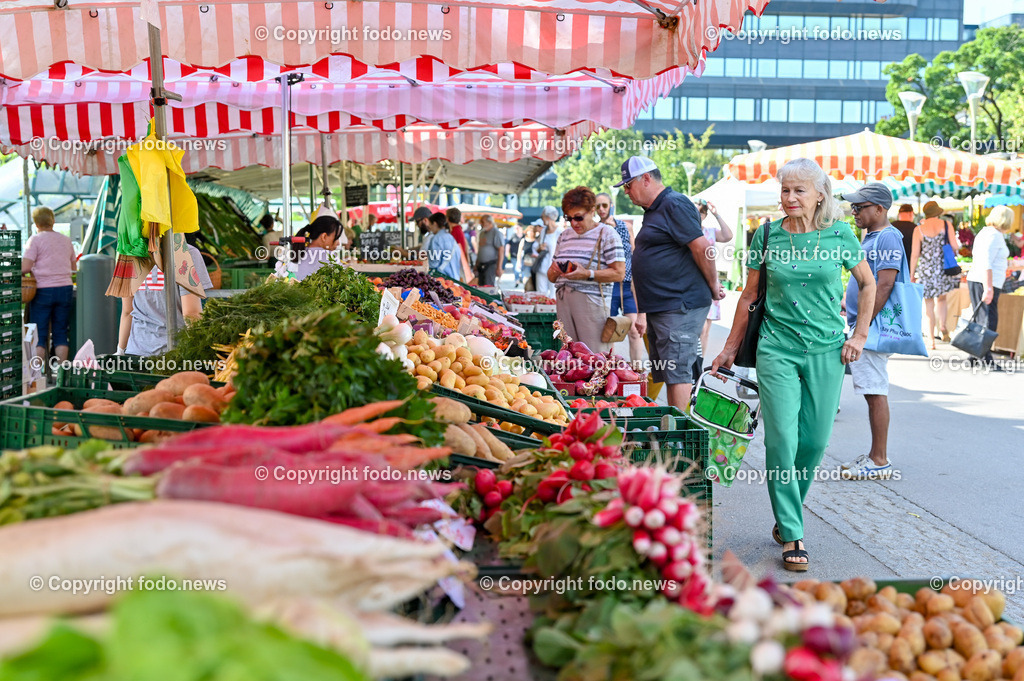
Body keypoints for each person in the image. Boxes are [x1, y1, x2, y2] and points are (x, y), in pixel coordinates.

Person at [711, 158, 875, 572]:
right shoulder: (766, 235)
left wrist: (859, 335)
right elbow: (749, 296)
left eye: (799, 190)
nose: (790, 197)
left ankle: (789, 512)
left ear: (819, 194)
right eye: (785, 190)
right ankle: (792, 530)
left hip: (827, 350)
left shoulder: (840, 233)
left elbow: (868, 283)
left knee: (814, 441)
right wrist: (729, 348)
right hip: (776, 349)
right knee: (781, 439)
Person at [619, 156, 723, 411]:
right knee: (667, 372)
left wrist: (713, 286)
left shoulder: (674, 203)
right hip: (663, 306)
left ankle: (681, 430)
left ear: (646, 179)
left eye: (628, 185)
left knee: (677, 373)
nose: (626, 192)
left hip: (679, 305)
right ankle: (674, 424)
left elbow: (703, 248)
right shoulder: (655, 210)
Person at [838, 183, 903, 481]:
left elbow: (885, 283)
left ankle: (879, 460)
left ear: (879, 209)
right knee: (871, 391)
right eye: (853, 206)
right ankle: (876, 456)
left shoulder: (888, 236)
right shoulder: (874, 236)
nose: (854, 211)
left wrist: (862, 326)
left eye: (860, 207)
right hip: (865, 325)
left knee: (875, 391)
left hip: (872, 328)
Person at [546, 187, 626, 351]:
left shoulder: (607, 234)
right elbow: (551, 277)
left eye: (578, 217)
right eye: (569, 218)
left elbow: (619, 273)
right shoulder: (564, 236)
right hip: (563, 302)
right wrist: (554, 270)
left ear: (592, 211)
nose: (573, 223)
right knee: (569, 356)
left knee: (595, 356)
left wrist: (587, 274)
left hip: (592, 306)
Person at [118, 231, 214, 357]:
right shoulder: (186, 253)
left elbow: (127, 311)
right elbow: (191, 313)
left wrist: (120, 350)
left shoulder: (129, 254)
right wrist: (202, 352)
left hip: (136, 352)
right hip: (174, 354)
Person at [22, 207, 76, 364]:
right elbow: (74, 267)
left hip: (42, 290)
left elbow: (25, 267)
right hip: (65, 289)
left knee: (39, 334)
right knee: (60, 333)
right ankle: (62, 373)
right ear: (53, 221)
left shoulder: (35, 240)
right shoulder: (66, 240)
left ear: (36, 223)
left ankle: (37, 374)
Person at [596, 192, 642, 365]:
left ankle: (636, 370)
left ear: (611, 206)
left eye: (604, 205)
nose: (601, 209)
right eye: (598, 206)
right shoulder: (596, 229)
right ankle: (611, 369)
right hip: (607, 286)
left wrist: (637, 281)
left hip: (628, 285)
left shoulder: (625, 226)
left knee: (634, 330)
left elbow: (635, 254)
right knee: (610, 331)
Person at [966, 205, 1013, 367]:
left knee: (981, 319)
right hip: (986, 281)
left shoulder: (986, 232)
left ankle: (974, 356)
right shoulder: (994, 235)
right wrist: (989, 287)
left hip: (979, 279)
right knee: (988, 320)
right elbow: (986, 261)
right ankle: (985, 358)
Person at [909, 201, 960, 349]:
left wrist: (912, 274)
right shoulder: (946, 225)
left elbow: (914, 255)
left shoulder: (918, 229)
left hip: (926, 271)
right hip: (942, 269)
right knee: (942, 299)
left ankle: (931, 339)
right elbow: (955, 246)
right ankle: (943, 326)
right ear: (937, 212)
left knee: (928, 304)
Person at [696, 199, 735, 362]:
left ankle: (699, 364)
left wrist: (716, 214)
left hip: (710, 282)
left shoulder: (710, 232)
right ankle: (692, 363)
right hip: (691, 283)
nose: (697, 214)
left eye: (700, 212)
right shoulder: (684, 232)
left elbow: (728, 235)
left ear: (705, 215)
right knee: (697, 329)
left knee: (705, 329)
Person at [293, 215, 342, 282]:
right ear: (324, 237)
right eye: (336, 238)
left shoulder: (298, 251)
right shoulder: (329, 256)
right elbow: (344, 278)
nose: (338, 243)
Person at [425, 212, 463, 281]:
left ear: (435, 223)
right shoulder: (450, 237)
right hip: (455, 279)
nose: (430, 228)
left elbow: (433, 263)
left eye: (430, 224)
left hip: (442, 280)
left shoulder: (436, 239)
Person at [535, 206, 562, 297]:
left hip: (555, 269)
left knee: (554, 295)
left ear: (547, 217)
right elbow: (538, 249)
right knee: (540, 294)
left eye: (542, 216)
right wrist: (540, 248)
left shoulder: (560, 232)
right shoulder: (543, 231)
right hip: (542, 267)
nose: (541, 218)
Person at [474, 215, 505, 286]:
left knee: (488, 286)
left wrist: (499, 267)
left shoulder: (496, 233)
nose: (481, 223)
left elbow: (501, 250)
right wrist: (476, 264)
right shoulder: (482, 233)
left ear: (490, 222)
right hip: (480, 265)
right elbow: (480, 250)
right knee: (480, 286)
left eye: (483, 222)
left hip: (490, 265)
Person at [518, 224, 540, 290]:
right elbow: (519, 252)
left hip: (535, 262)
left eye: (532, 231)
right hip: (526, 262)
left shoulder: (537, 240)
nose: (530, 233)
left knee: (535, 278)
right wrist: (518, 262)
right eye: (529, 231)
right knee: (526, 277)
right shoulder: (523, 240)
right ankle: (526, 289)